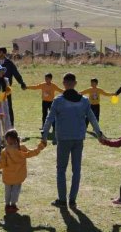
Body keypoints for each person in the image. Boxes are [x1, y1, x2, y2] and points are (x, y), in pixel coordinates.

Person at [42, 72, 103, 208]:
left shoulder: (58, 101)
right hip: (78, 139)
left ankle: (62, 199)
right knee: (76, 170)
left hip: (63, 139)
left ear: (63, 83)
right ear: (75, 83)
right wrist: (99, 133)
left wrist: (44, 135)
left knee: (61, 169)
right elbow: (92, 118)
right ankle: (73, 200)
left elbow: (49, 119)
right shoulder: (84, 101)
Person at [0, 129, 46, 214]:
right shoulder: (22, 148)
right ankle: (13, 205)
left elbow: (1, 164)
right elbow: (32, 153)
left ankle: (7, 205)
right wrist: (40, 146)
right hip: (19, 175)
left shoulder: (5, 151)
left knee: (8, 190)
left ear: (8, 139)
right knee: (16, 190)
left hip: (8, 176)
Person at [0, 47, 27, 127]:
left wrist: (22, 83)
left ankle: (11, 126)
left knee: (8, 107)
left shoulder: (9, 63)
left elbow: (16, 73)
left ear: (4, 53)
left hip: (6, 89)